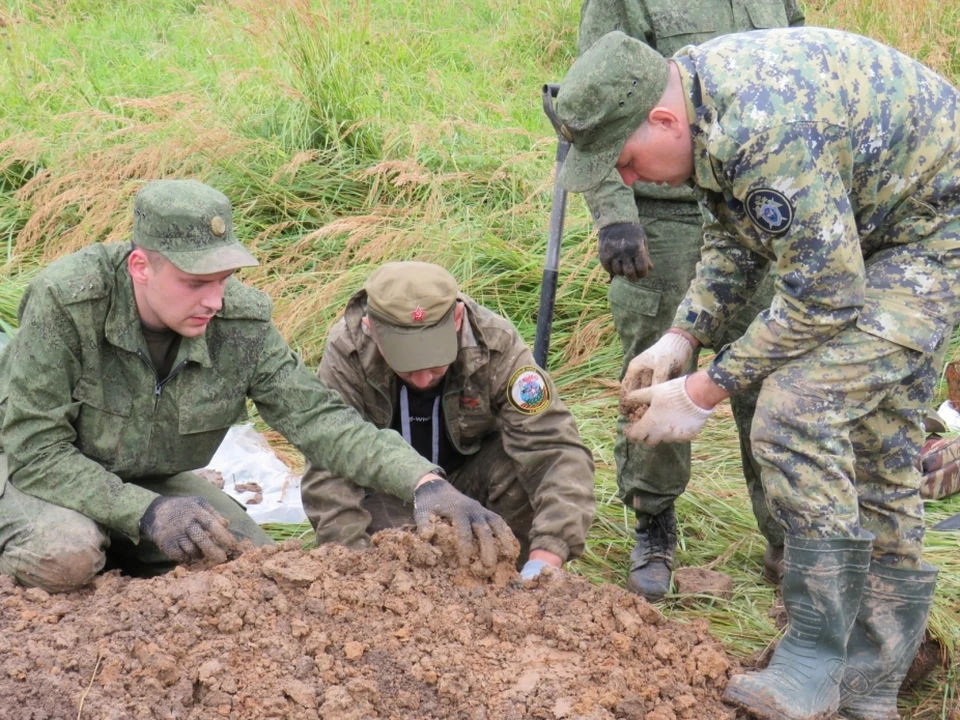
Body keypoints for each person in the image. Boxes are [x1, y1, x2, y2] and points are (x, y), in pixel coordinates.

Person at [554, 28, 959, 720]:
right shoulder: (699, 105)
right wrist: (683, 337)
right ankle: (872, 682)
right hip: (872, 225)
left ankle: (816, 653)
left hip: (929, 233)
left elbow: (827, 297)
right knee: (883, 446)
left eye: (624, 161)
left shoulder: (759, 128)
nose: (626, 180)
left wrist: (704, 391)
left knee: (796, 412)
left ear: (661, 121)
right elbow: (738, 239)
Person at [0, 180, 515, 594]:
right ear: (141, 266)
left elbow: (320, 420)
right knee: (66, 554)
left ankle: (127, 564)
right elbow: (36, 450)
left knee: (252, 573)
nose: (215, 300)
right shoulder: (67, 303)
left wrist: (426, 483)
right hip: (34, 471)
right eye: (196, 283)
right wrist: (146, 513)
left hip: (146, 477)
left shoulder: (241, 324)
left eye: (223, 279)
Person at [575, 0, 805, 600]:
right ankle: (654, 520)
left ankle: (786, 534)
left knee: (773, 368)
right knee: (657, 365)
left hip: (757, 200)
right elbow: (593, 112)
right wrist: (614, 216)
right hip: (663, 214)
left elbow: (794, 55)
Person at [300, 261, 596, 580]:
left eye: (435, 360)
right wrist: (352, 566)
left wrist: (547, 555)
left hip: (472, 484)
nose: (425, 378)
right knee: (398, 568)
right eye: (408, 364)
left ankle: (513, 577)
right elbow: (328, 463)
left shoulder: (494, 344)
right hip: (394, 492)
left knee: (518, 472)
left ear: (457, 319)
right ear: (372, 329)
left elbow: (555, 449)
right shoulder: (349, 352)